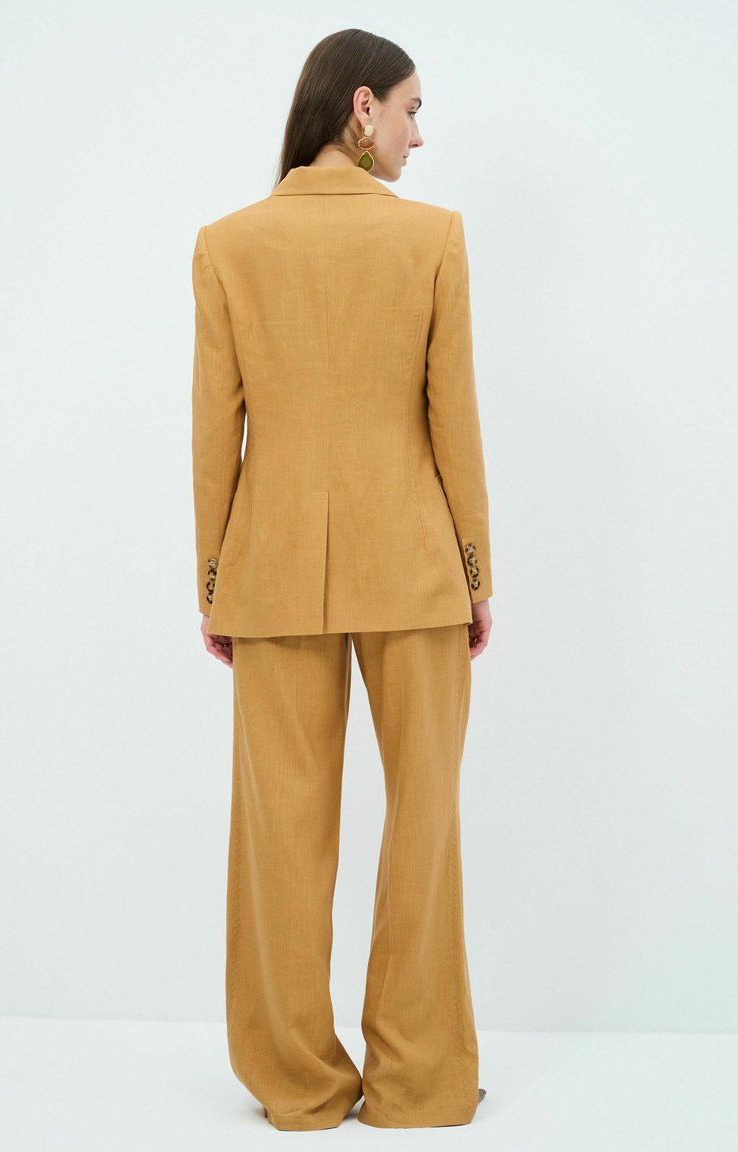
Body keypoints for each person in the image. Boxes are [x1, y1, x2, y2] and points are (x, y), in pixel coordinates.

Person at [191, 27, 493, 1131]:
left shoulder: (228, 245)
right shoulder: (430, 238)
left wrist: (214, 584)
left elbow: (212, 437)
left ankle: (299, 1085)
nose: (419, 135)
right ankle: (416, 1080)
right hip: (413, 567)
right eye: (411, 110)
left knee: (280, 834)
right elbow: (452, 423)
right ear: (360, 107)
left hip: (268, 574)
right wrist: (475, 573)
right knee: (425, 826)